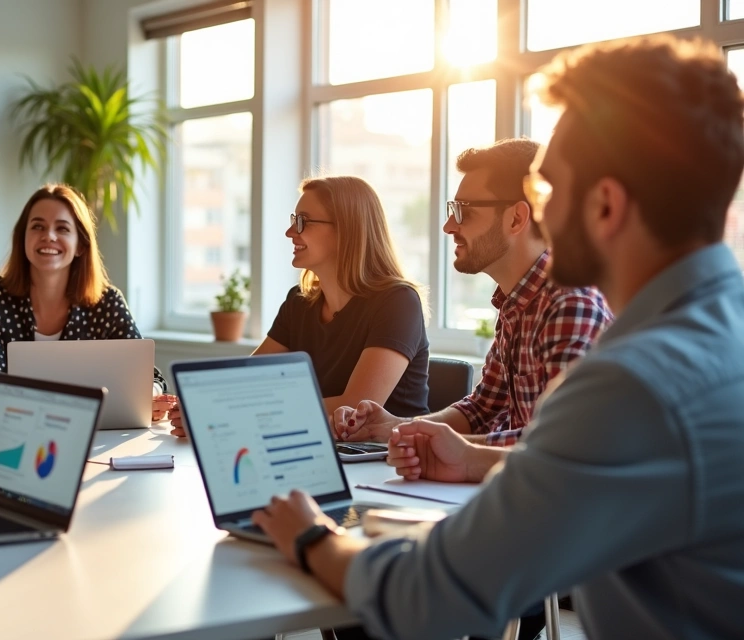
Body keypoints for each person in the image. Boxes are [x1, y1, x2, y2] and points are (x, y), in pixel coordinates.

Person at [252, 35, 744, 639]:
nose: (539, 213)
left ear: (606, 206)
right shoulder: (722, 337)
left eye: (545, 191)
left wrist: (310, 535)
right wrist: (474, 458)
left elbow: (428, 597)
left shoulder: (634, 385)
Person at [336, 139, 611, 447]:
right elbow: (480, 410)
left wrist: (458, 454)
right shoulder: (515, 302)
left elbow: (561, 441)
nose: (449, 226)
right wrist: (394, 427)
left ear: (516, 219)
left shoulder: (571, 304)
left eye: (463, 211)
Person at [169, 175, 430, 437]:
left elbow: (354, 410)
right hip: (315, 449)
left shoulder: (398, 302)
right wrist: (202, 406)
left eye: (303, 221)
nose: (290, 232)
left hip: (390, 463)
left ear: (347, 230)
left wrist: (226, 415)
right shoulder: (299, 301)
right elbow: (246, 382)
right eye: (293, 221)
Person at [0, 184, 171, 423]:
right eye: (37, 226)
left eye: (62, 228)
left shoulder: (107, 302)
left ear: (80, 245)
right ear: (23, 238)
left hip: (89, 435)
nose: (49, 236)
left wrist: (150, 396)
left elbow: (148, 376)